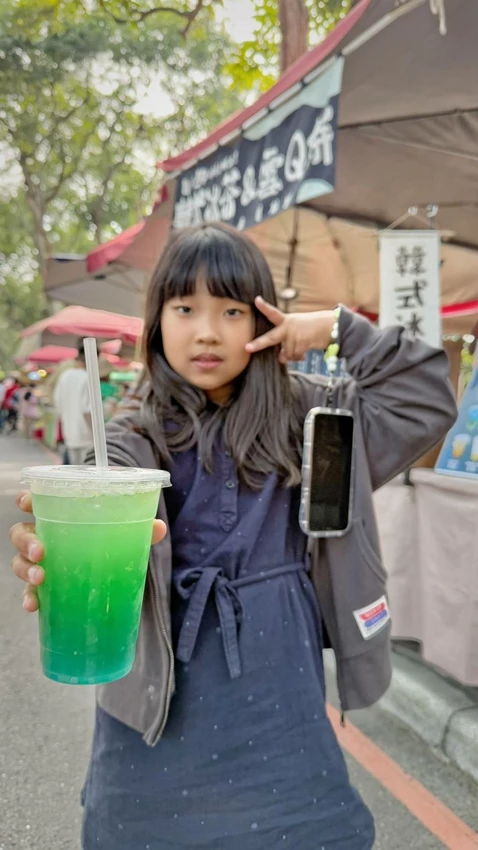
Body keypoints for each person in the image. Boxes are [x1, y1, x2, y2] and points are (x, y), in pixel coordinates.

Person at [9, 223, 457, 850]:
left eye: (232, 309)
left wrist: (336, 326)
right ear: (157, 320)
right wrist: (51, 542)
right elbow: (92, 478)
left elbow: (425, 399)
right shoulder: (133, 438)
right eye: (185, 308)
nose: (208, 331)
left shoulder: (316, 419)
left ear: (265, 319)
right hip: (155, 720)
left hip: (280, 698)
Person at [53, 341, 92, 465]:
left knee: (74, 475)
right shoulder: (87, 378)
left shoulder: (64, 376)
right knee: (87, 476)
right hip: (86, 436)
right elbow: (88, 410)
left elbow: (57, 403)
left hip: (69, 433)